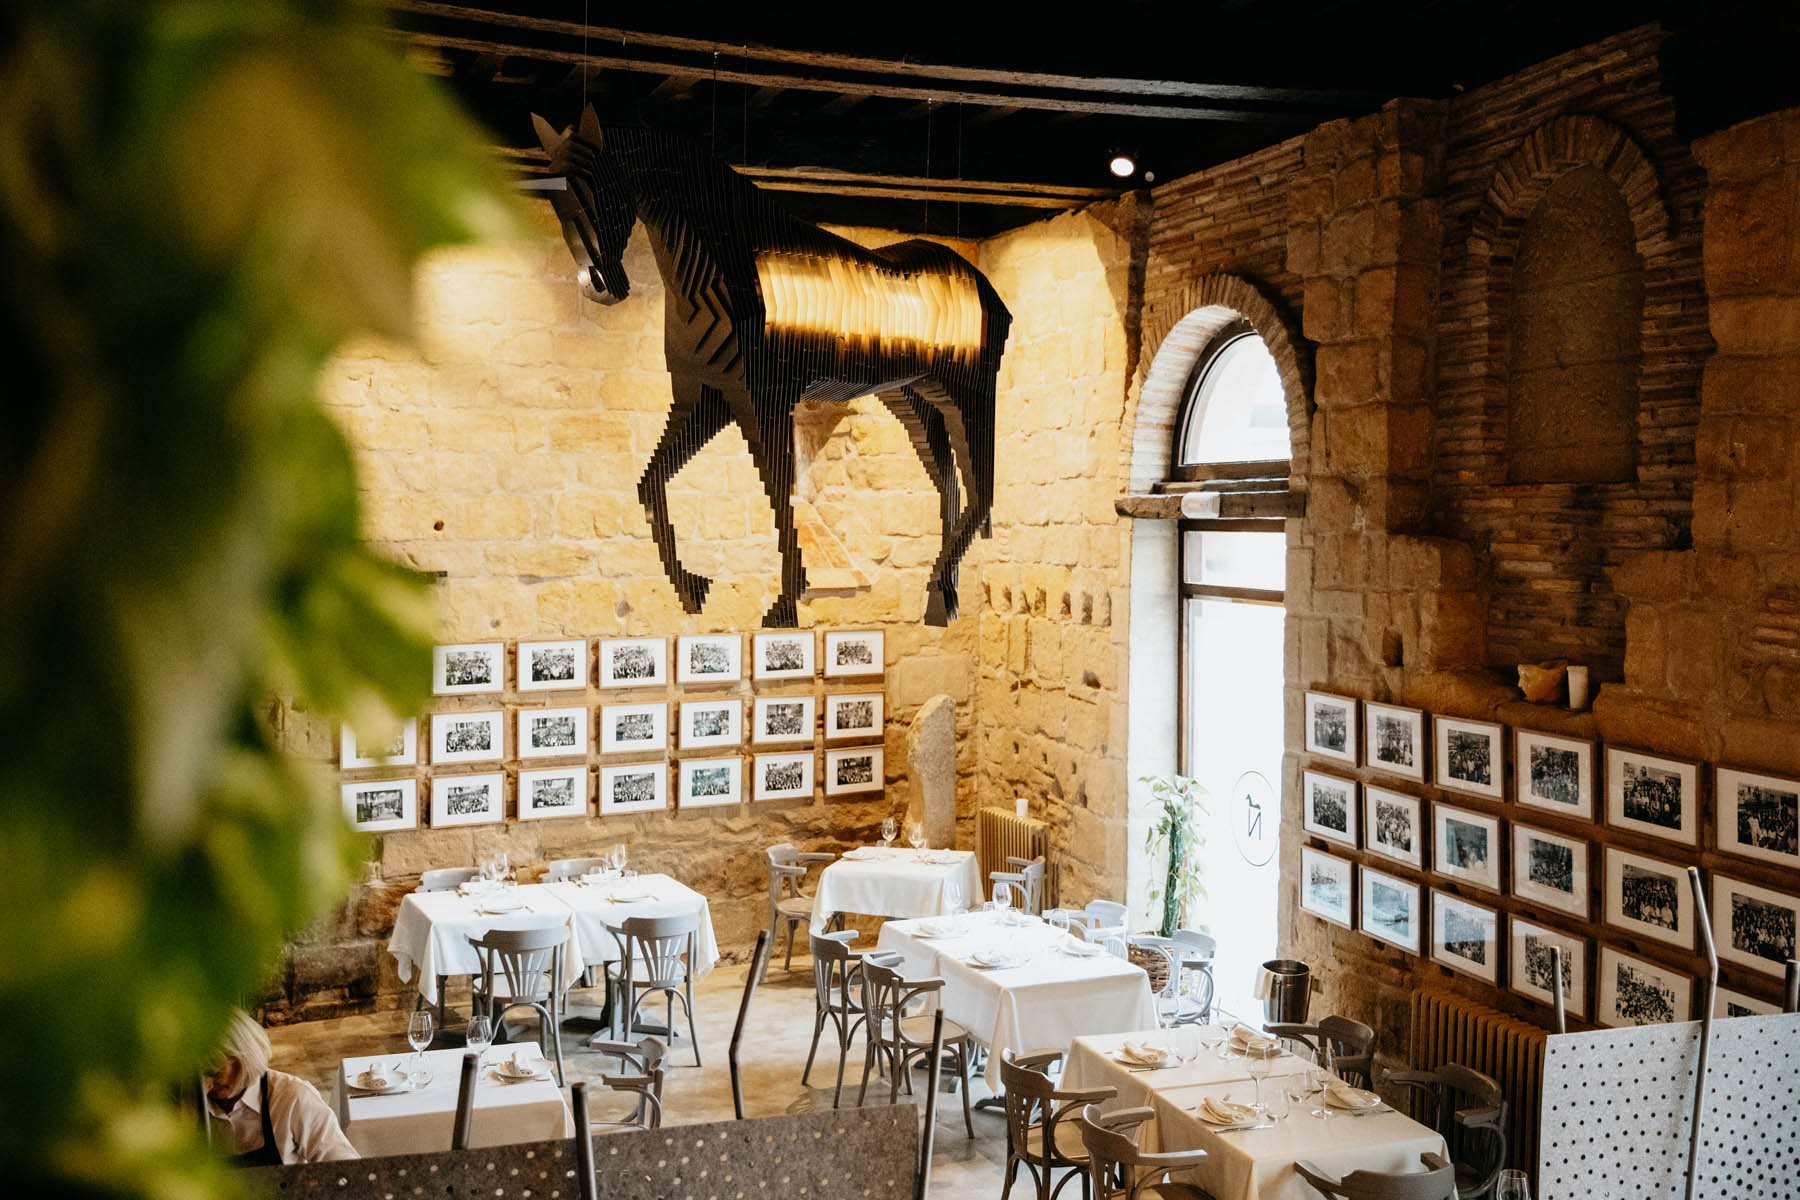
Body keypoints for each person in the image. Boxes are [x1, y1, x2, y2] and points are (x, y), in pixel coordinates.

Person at [202, 1009, 358, 1164]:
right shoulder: (193, 1104)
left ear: (243, 1060)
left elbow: (345, 1167)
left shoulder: (293, 1098)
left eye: (213, 1073)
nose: (206, 1083)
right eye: (196, 1075)